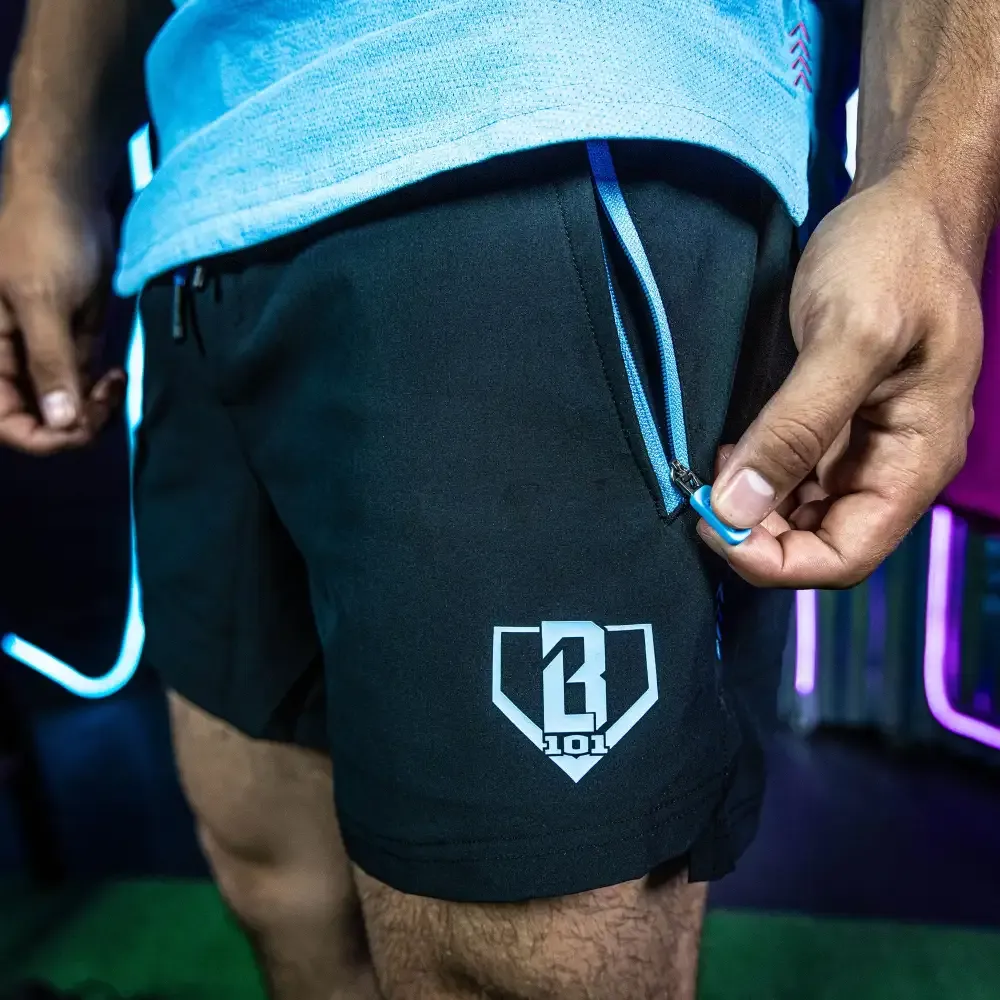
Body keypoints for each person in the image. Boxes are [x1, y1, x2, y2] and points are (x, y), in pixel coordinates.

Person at [0, 2, 995, 998]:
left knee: (518, 954)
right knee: (278, 880)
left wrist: (928, 195)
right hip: (200, 212)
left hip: (539, 112)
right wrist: (44, 164)